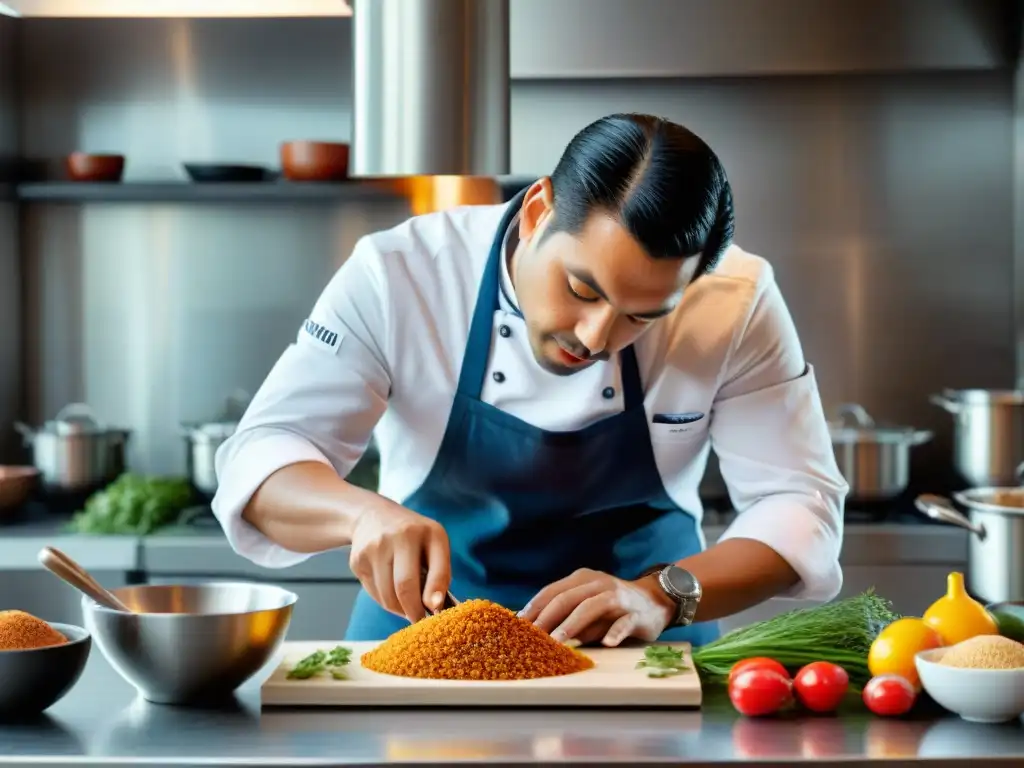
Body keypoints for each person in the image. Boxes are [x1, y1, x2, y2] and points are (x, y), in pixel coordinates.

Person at [211, 112, 847, 648]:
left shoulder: (737, 299)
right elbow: (262, 462)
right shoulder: (400, 274)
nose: (595, 337)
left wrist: (661, 596)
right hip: (423, 639)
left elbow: (798, 505)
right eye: (580, 288)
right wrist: (360, 516)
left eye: (641, 316)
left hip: (642, 650)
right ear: (539, 210)